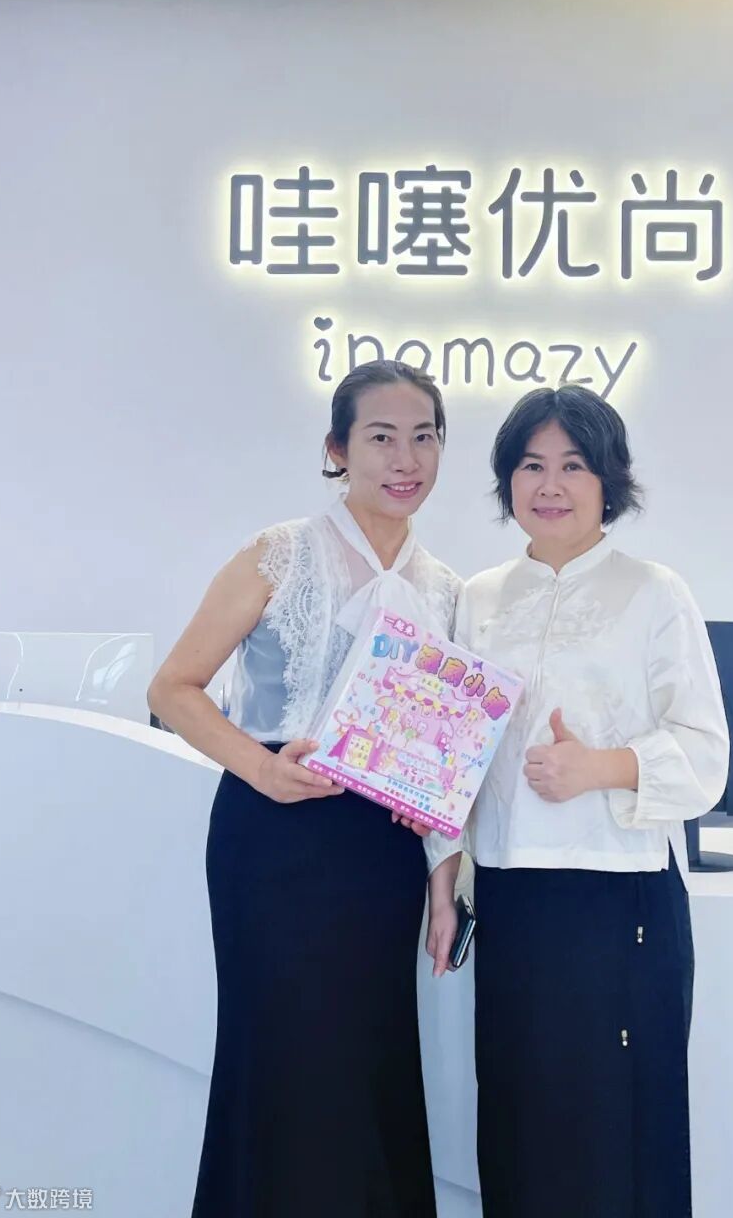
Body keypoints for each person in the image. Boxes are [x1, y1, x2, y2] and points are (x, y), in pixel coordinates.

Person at [148, 360, 463, 1218]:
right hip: (274, 837)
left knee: (371, 1058)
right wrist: (262, 769)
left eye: (424, 437)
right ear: (338, 449)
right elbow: (172, 688)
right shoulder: (280, 552)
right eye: (382, 437)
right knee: (283, 1055)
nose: (406, 459)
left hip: (383, 853)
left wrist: (444, 878)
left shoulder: (444, 589)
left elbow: (445, 758)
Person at [456, 384, 729, 1218]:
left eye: (573, 465)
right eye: (531, 465)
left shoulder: (654, 591)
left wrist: (600, 767)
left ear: (609, 479)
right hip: (511, 896)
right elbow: (456, 754)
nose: (550, 485)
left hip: (622, 897)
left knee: (619, 1131)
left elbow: (707, 757)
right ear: (507, 480)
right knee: (519, 1125)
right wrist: (441, 867)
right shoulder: (478, 597)